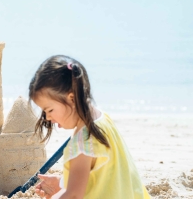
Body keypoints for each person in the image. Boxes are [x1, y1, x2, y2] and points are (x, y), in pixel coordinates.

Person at [29, 55, 150, 199]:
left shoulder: (81, 143)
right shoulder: (101, 120)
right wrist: (63, 183)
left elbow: (74, 195)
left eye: (49, 110)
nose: (48, 117)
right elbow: (102, 177)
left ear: (72, 98)